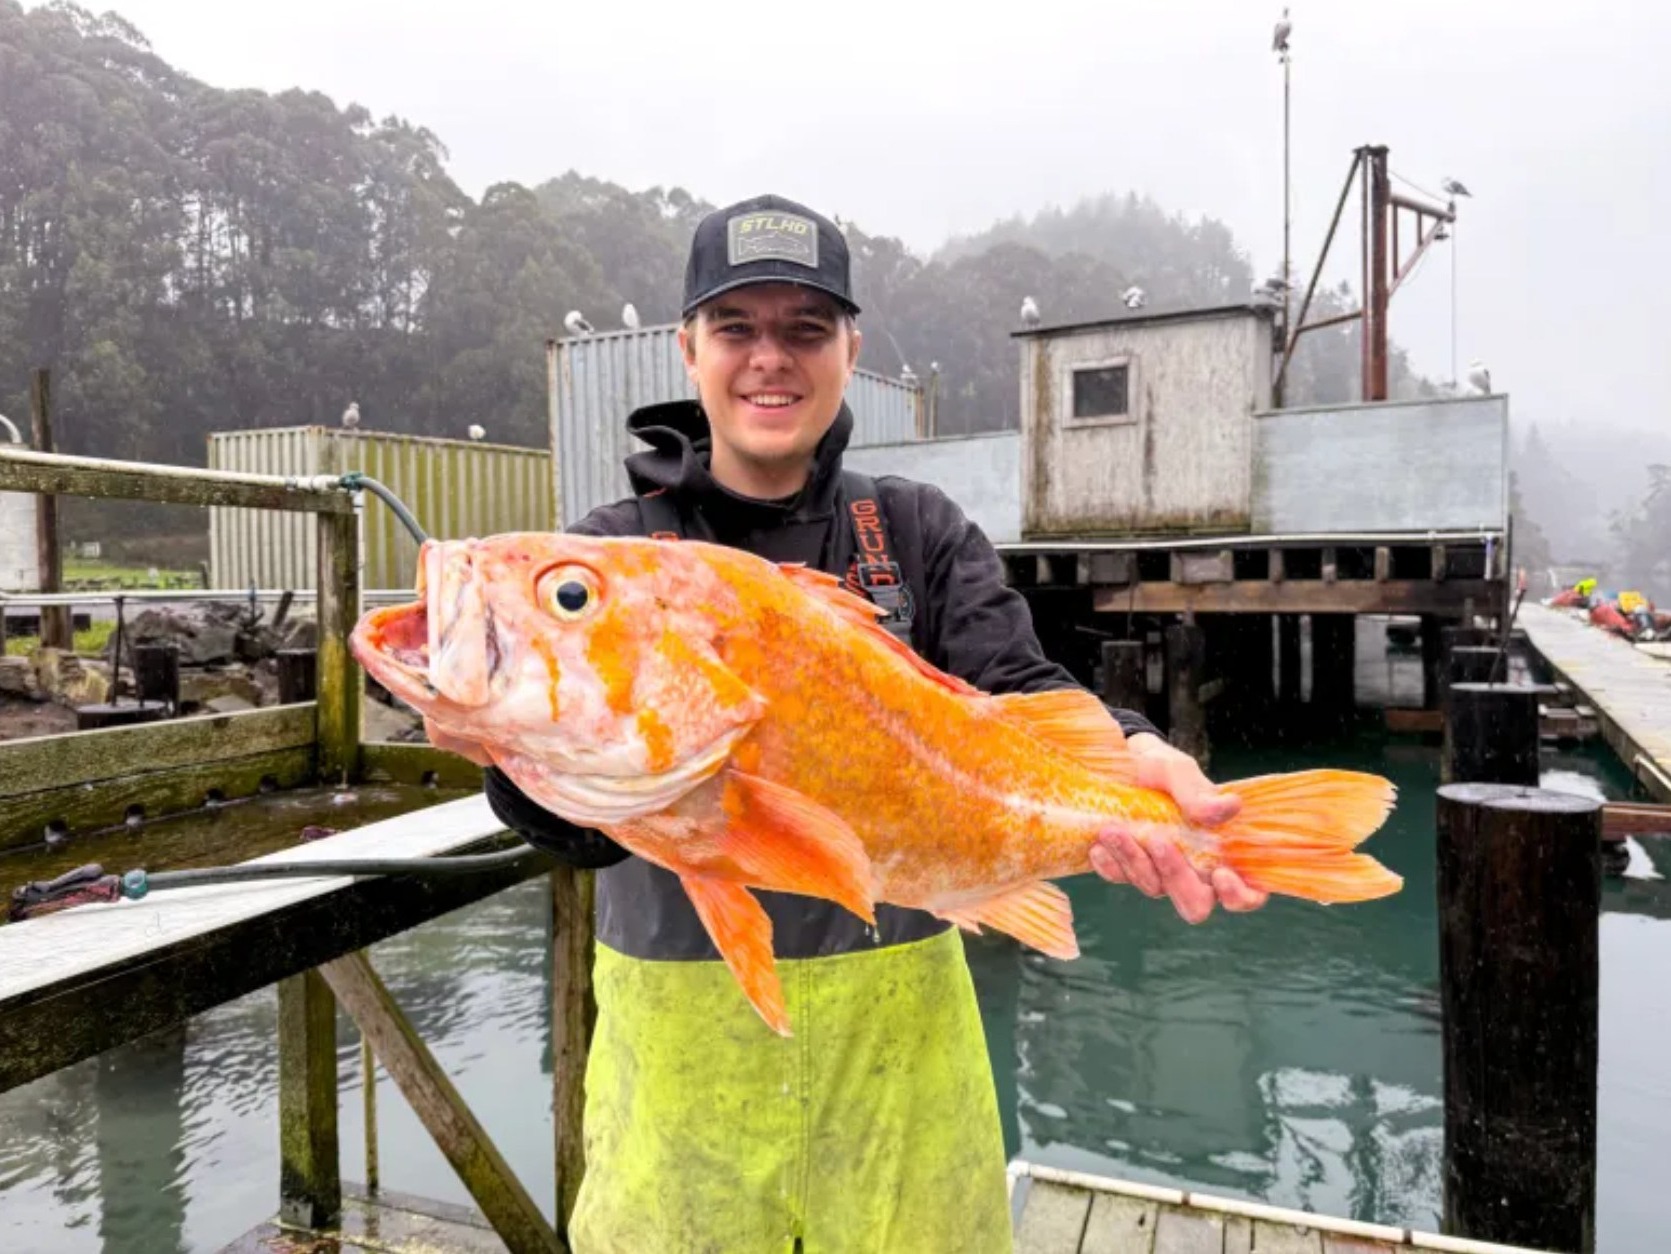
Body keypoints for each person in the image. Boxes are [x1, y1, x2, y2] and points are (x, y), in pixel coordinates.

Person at [484, 193, 1269, 1253]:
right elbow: (575, 827)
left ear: (851, 348)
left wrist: (1129, 751)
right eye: (737, 329)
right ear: (687, 349)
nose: (772, 359)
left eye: (806, 329)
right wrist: (508, 751)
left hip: (904, 1075)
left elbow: (1021, 684)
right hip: (680, 1076)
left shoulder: (916, 532)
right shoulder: (614, 553)